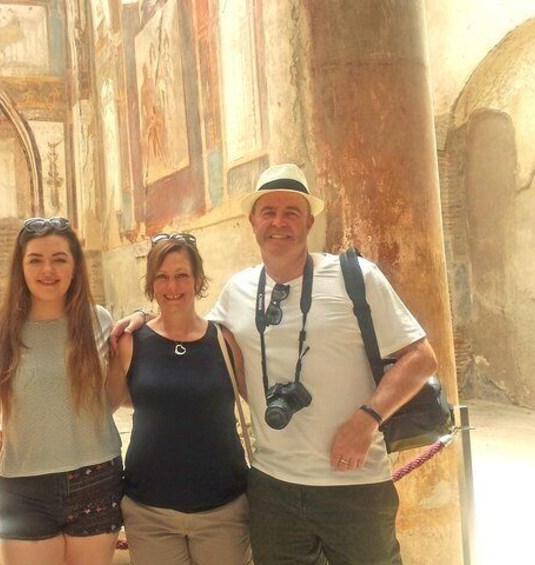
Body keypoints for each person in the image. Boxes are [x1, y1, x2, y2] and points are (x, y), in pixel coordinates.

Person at [113, 163, 438, 564]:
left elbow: (421, 357)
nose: (278, 222)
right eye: (268, 212)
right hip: (273, 487)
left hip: (355, 482)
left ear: (309, 220)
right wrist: (141, 318)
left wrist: (367, 418)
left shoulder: (357, 278)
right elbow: (186, 327)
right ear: (253, 221)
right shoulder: (239, 291)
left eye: (291, 212)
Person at [0, 217, 123, 565]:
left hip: (95, 478)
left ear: (75, 265)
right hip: (23, 485)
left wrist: (139, 319)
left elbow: (107, 401)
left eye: (60, 258)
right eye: (36, 259)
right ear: (21, 266)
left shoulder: (100, 321)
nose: (49, 269)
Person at [108, 232, 252, 565]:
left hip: (223, 509)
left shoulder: (224, 340)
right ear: (151, 284)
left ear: (198, 279)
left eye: (182, 275)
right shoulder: (132, 342)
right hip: (150, 513)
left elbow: (253, 396)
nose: (172, 286)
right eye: (162, 277)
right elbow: (107, 404)